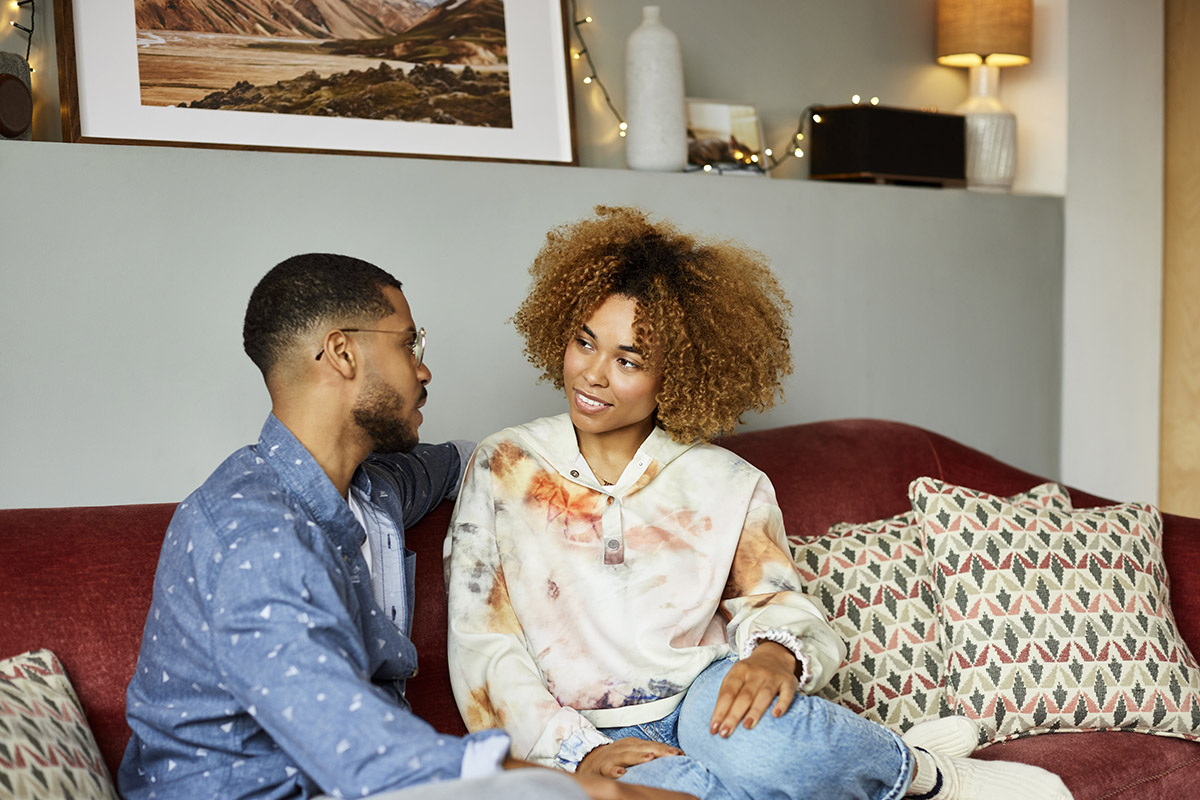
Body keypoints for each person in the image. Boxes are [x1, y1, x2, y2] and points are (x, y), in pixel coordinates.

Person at [444, 208, 1074, 800]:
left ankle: (928, 777)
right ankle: (866, 759)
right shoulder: (506, 464)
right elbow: (482, 642)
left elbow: (777, 602)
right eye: (585, 343)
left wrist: (775, 652)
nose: (593, 373)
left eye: (629, 360)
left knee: (772, 756)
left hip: (701, 695)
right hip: (575, 724)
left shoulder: (727, 480)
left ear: (679, 374)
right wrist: (574, 750)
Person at [119, 253, 694, 800]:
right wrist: (587, 787)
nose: (424, 368)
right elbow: (360, 752)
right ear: (342, 353)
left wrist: (627, 486)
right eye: (409, 343)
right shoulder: (257, 535)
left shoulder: (376, 488)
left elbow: (487, 459)